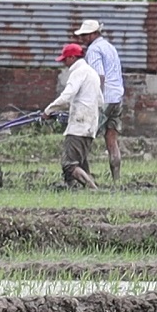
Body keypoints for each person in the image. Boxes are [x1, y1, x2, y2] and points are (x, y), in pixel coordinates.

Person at [43, 42, 101, 189]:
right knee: (81, 163)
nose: (63, 62)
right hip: (90, 123)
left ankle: (93, 189)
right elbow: (100, 100)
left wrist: (48, 110)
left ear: (73, 57)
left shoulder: (78, 72)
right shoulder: (92, 72)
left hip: (79, 124)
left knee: (69, 165)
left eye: (65, 59)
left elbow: (67, 96)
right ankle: (72, 190)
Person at [75, 19, 125, 182]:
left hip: (105, 99)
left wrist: (96, 98)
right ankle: (116, 180)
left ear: (94, 34)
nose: (83, 38)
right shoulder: (110, 47)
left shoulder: (94, 50)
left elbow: (99, 76)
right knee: (111, 140)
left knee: (83, 136)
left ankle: (84, 178)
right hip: (117, 97)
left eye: (85, 35)